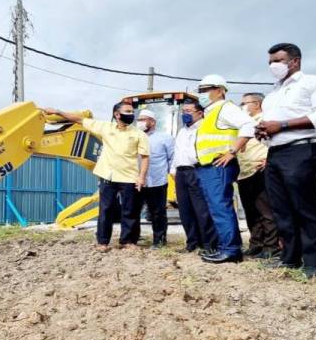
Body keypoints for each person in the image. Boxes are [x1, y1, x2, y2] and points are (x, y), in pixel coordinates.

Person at [256, 43, 316, 278]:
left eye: (278, 60)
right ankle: (290, 257)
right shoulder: (272, 95)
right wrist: (263, 132)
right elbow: (272, 125)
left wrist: (280, 125)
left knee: (305, 206)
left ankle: (313, 262)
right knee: (281, 208)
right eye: (270, 61)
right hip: (275, 153)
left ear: (295, 61)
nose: (273, 66)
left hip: (303, 150)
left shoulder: (314, 83)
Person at [43, 103, 149, 252]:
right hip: (107, 176)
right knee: (105, 210)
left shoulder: (139, 134)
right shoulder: (105, 127)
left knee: (129, 211)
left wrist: (141, 177)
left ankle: (128, 241)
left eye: (132, 111)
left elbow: (144, 157)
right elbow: (80, 120)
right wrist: (58, 111)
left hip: (129, 177)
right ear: (117, 114)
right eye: (127, 111)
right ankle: (103, 242)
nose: (131, 114)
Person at [194, 74, 256, 264]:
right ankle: (226, 247)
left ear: (220, 90)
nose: (202, 94)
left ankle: (230, 250)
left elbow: (249, 124)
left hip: (218, 166)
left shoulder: (225, 108)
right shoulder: (211, 112)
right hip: (209, 167)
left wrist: (233, 151)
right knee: (217, 207)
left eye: (207, 89)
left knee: (221, 207)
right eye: (200, 90)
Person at [170, 99, 219, 255]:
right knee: (185, 210)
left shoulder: (205, 128)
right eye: (183, 111)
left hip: (197, 170)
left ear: (200, 113)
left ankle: (209, 244)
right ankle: (192, 242)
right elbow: (177, 152)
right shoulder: (182, 131)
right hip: (180, 172)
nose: (185, 114)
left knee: (202, 209)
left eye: (188, 111)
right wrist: (173, 169)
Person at [237, 93, 279, 259]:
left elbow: (276, 142)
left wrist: (270, 160)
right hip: (244, 171)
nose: (242, 106)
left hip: (259, 169)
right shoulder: (244, 123)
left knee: (266, 211)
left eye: (245, 103)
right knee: (251, 211)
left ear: (257, 104)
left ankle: (271, 247)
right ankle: (256, 244)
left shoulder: (267, 120)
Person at [133, 109, 174, 249]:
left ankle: (159, 240)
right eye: (139, 120)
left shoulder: (165, 138)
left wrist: (171, 174)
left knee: (158, 213)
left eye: (144, 119)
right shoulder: (133, 136)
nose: (140, 123)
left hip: (157, 181)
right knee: (132, 211)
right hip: (135, 181)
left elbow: (172, 158)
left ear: (152, 122)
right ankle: (132, 239)